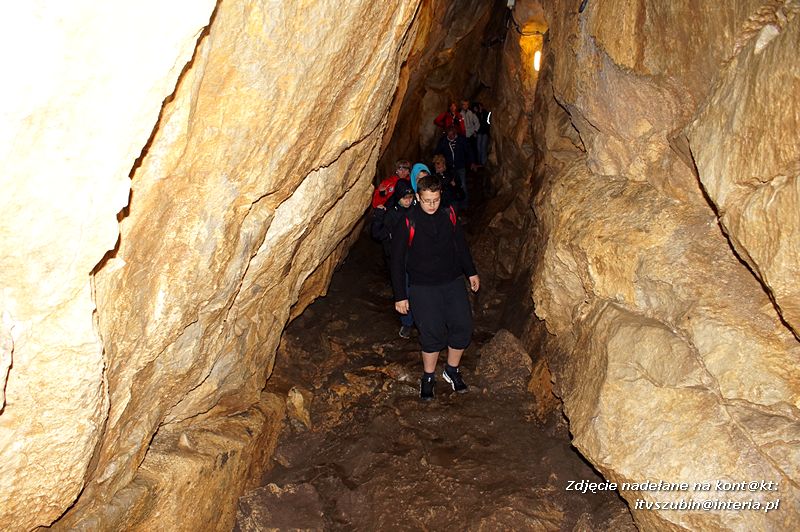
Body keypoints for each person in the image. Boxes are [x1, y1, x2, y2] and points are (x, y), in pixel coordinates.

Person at [390, 174, 480, 401]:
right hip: (422, 286)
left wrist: (471, 271)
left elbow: (460, 244)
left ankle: (451, 370)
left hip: (451, 280)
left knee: (462, 325)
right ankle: (428, 376)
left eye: (436, 200)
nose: (432, 205)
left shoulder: (448, 214)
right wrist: (401, 295)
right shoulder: (408, 221)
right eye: (427, 200)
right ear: (418, 197)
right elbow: (397, 260)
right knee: (431, 331)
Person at [371, 179, 417, 339]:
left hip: (414, 256)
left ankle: (420, 318)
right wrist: (378, 216)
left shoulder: (416, 211)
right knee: (403, 288)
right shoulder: (391, 213)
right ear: (398, 197)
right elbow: (378, 234)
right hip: (397, 258)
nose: (408, 201)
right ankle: (407, 322)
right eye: (405, 198)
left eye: (411, 197)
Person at [435, 126, 473, 209]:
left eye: (452, 135)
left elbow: (468, 151)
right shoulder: (444, 141)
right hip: (449, 167)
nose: (450, 137)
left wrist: (471, 162)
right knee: (450, 185)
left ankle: (464, 204)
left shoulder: (461, 140)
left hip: (460, 166)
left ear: (455, 133)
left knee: (462, 184)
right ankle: (453, 203)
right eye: (449, 135)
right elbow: (437, 152)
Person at [474, 102, 490, 167]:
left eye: (480, 106)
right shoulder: (476, 114)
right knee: (478, 147)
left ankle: (483, 162)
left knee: (483, 146)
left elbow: (488, 123)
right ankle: (479, 162)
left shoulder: (487, 113)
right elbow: (475, 123)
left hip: (485, 132)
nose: (480, 107)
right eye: (478, 106)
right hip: (479, 132)